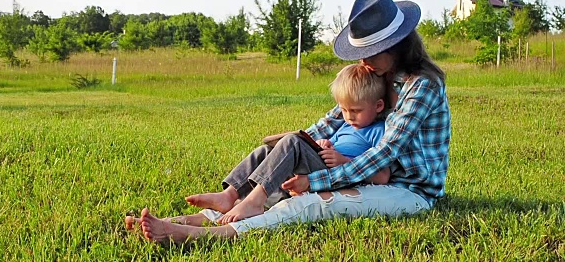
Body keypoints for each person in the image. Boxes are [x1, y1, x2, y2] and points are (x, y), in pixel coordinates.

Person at [130, 0, 451, 243]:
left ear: (396, 45)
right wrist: (294, 145)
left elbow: (385, 153)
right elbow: (331, 122)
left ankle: (207, 234)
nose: (364, 61)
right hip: (370, 175)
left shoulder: (421, 85)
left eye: (371, 51)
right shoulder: (378, 76)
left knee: (313, 200)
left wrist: (315, 180)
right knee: (282, 177)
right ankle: (189, 220)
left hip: (408, 191)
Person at [126, 63, 391, 231]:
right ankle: (229, 195)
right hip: (320, 166)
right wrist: (324, 145)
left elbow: (382, 176)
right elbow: (333, 140)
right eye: (343, 110)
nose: (348, 116)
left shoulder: (378, 130)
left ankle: (254, 201)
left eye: (355, 110)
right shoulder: (346, 125)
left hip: (336, 179)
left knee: (292, 142)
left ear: (378, 106)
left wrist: (341, 159)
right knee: (267, 151)